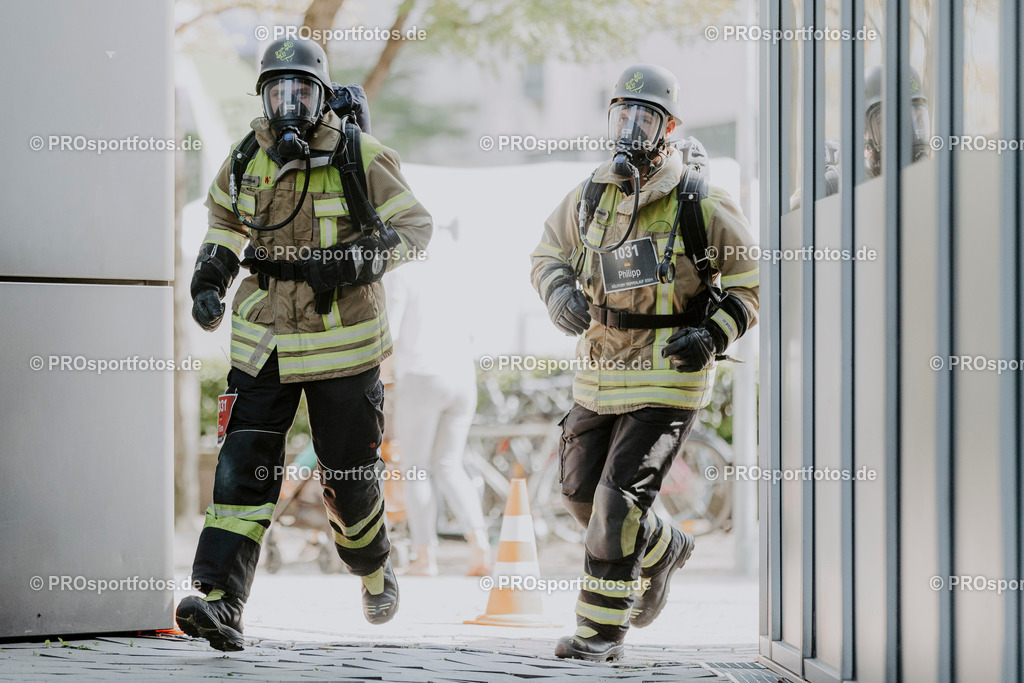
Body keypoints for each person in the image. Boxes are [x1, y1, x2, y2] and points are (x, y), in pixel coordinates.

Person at [175, 37, 432, 651]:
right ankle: (219, 600)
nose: (289, 104)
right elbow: (224, 219)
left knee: (348, 478)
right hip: (263, 342)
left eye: (302, 91)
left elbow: (415, 229)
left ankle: (372, 568)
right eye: (277, 90)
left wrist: (351, 262)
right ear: (262, 95)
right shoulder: (246, 158)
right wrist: (211, 275)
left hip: (342, 347)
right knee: (241, 473)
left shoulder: (358, 154)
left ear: (322, 97)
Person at [530, 64, 759, 662]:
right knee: (579, 493)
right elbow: (547, 253)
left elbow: (753, 282)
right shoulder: (591, 193)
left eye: (645, 116)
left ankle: (599, 632)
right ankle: (665, 550)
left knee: (618, 503)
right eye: (622, 113)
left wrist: (712, 334)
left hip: (667, 376)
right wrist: (557, 292)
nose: (631, 126)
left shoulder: (700, 199)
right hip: (599, 373)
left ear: (669, 126)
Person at [385, 221, 492, 576]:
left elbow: (390, 335)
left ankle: (424, 556)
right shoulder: (454, 277)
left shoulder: (401, 276)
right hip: (462, 378)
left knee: (416, 468)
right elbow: (474, 334)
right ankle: (479, 545)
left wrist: (382, 378)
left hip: (421, 376)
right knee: (449, 464)